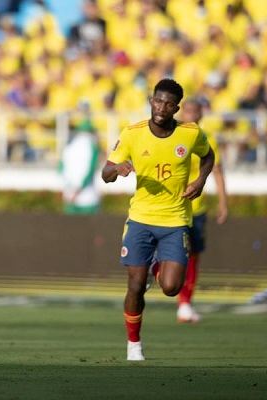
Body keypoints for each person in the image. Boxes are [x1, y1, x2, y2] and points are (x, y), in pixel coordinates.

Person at [101, 79, 214, 361]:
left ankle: (156, 268)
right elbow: (105, 172)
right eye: (157, 101)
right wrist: (118, 169)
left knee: (171, 288)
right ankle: (133, 344)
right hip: (140, 219)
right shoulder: (132, 133)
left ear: (177, 108)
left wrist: (201, 180)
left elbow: (208, 156)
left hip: (175, 220)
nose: (161, 108)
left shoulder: (190, 134)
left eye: (168, 104)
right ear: (151, 100)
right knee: (135, 286)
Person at [176, 98, 228, 323]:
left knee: (193, 256)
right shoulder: (171, 134)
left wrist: (223, 202)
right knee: (174, 253)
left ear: (200, 115)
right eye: (186, 111)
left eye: (194, 111)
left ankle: (185, 303)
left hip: (196, 208)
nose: (190, 115)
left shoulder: (207, 139)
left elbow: (216, 171)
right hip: (173, 208)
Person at [60, 120, 101, 215]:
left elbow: (61, 169)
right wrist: (78, 190)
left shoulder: (68, 146)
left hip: (70, 196)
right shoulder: (92, 146)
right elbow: (91, 169)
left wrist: (70, 189)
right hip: (88, 199)